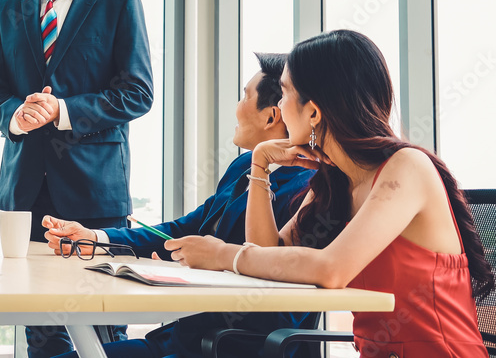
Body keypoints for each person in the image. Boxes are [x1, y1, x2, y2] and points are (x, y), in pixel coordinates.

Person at [167, 29, 495, 357]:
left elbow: (331, 269)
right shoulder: (334, 182)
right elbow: (268, 252)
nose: (279, 105)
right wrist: (260, 165)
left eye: (284, 93)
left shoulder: (407, 168)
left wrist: (223, 255)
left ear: (313, 112)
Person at [43, 53, 318, 358]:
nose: (237, 108)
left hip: (226, 346)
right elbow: (184, 229)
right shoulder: (244, 167)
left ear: (271, 117)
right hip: (185, 337)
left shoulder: (305, 188)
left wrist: (215, 261)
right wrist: (96, 237)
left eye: (244, 96)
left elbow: (281, 296)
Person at [0, 0, 154, 357]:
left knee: (101, 331)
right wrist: (15, 116)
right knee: (43, 333)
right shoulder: (5, 8)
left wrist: (64, 111)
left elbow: (138, 94)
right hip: (25, 198)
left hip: (96, 198)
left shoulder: (120, 3)